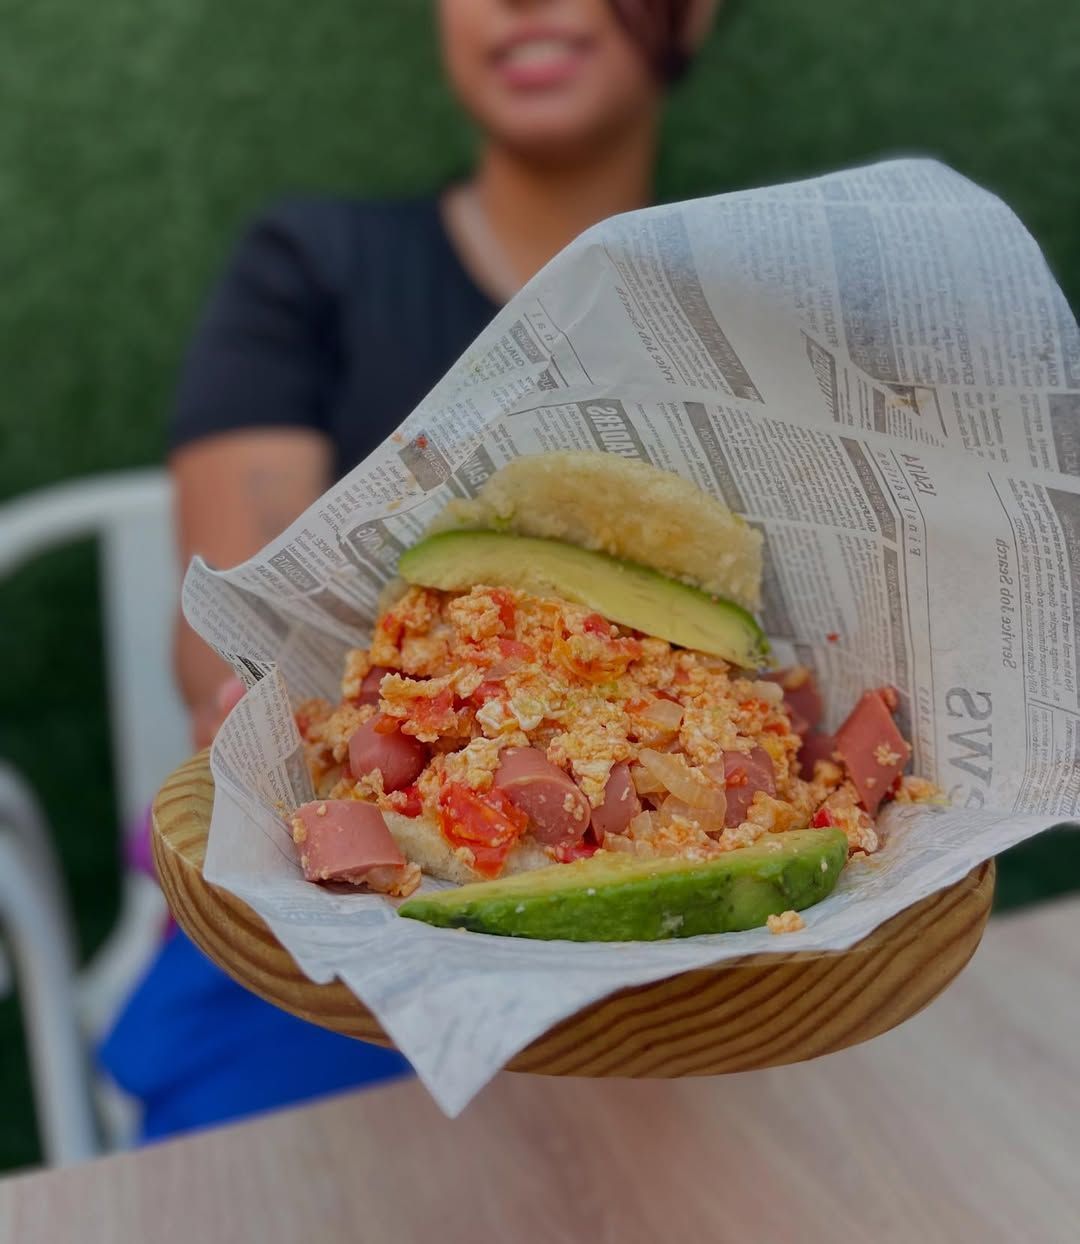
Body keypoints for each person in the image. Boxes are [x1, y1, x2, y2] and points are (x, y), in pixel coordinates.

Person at [101, 0, 718, 1139]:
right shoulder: (316, 265)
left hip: (696, 983)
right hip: (320, 972)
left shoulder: (742, 316)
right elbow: (226, 666)